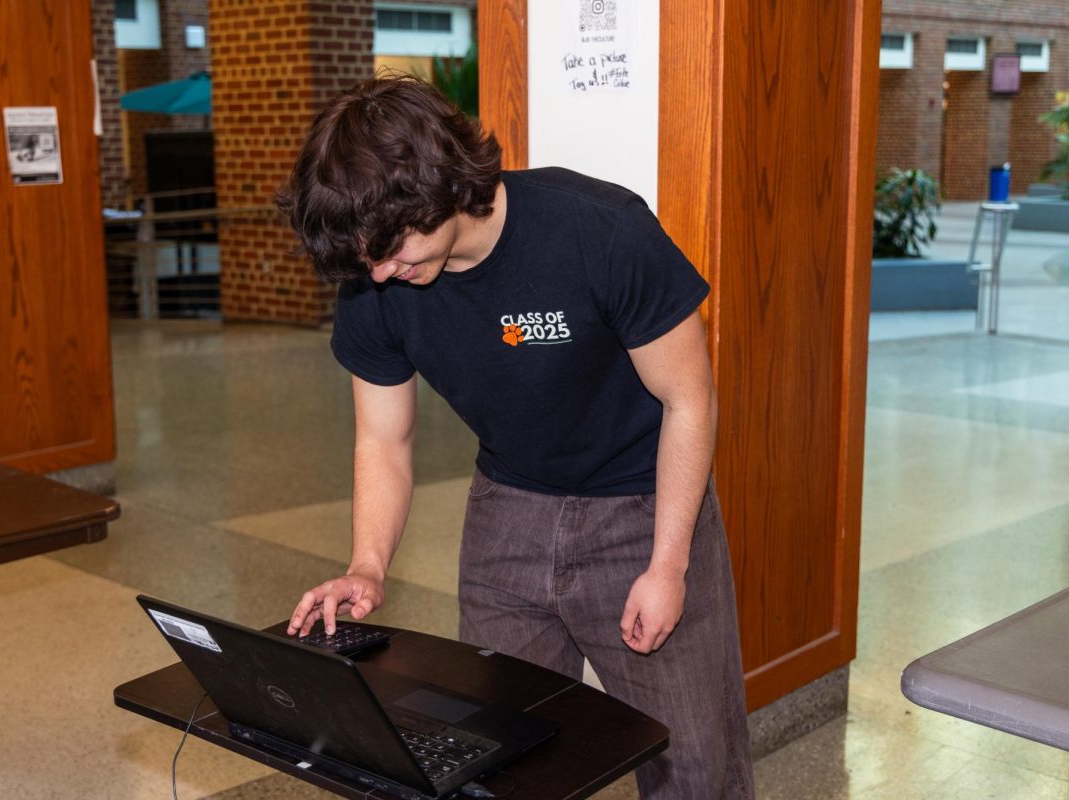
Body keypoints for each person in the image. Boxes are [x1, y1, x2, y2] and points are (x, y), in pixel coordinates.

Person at [278, 76, 754, 799]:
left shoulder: (599, 229)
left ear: (434, 186)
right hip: (507, 513)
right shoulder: (377, 282)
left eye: (390, 248)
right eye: (364, 258)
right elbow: (383, 441)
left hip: (643, 508)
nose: (378, 271)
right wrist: (367, 566)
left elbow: (688, 399)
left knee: (690, 761)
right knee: (502, 756)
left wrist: (668, 565)